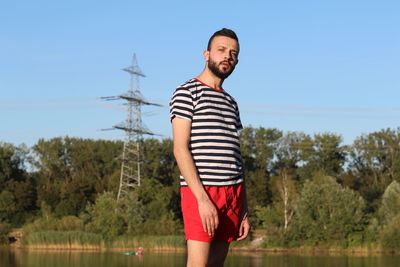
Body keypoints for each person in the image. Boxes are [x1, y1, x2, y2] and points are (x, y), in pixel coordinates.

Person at [169, 28, 250, 267]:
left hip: (232, 193)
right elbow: (180, 149)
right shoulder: (187, 92)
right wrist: (202, 199)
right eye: (221, 50)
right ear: (206, 54)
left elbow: (235, 156)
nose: (227, 56)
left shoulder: (230, 102)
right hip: (201, 191)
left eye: (233, 53)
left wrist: (244, 209)